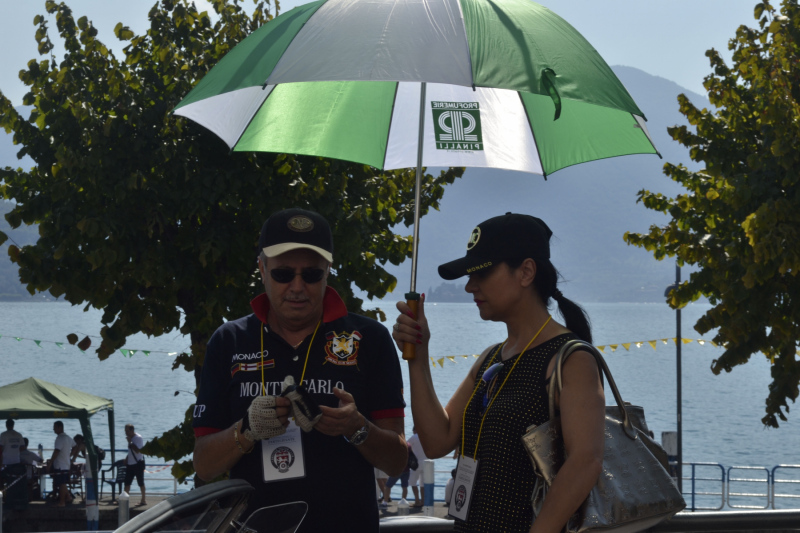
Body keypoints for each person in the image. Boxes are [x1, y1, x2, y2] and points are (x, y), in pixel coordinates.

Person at [192, 208, 407, 533]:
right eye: (283, 274)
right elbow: (204, 465)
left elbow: (397, 462)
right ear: (262, 269)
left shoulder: (370, 338)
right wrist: (246, 430)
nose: (297, 286)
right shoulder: (229, 340)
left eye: (311, 274)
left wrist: (358, 428)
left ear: (328, 271)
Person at [393, 213, 605, 533]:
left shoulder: (571, 359)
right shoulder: (490, 358)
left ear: (526, 272)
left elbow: (586, 461)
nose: (469, 286)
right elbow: (436, 442)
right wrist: (418, 356)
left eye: (482, 272)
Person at [48, 420, 75, 506]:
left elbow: (56, 451)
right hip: (66, 464)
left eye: (55, 427)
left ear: (60, 427)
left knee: (61, 483)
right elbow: (75, 446)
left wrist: (51, 462)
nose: (53, 429)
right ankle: (68, 497)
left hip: (60, 464)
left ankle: (62, 502)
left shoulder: (60, 438)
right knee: (62, 482)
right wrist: (69, 455)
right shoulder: (68, 437)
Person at [123, 424, 146, 506]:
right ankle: (124, 500)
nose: (126, 433)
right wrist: (126, 458)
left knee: (140, 482)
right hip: (130, 464)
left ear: (132, 430)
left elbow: (137, 450)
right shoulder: (131, 439)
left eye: (127, 431)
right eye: (125, 431)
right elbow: (130, 451)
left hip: (137, 463)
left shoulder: (138, 438)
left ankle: (143, 500)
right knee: (127, 483)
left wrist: (130, 442)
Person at [383, 442, 412, 506]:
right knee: (404, 487)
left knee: (388, 486)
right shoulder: (409, 445)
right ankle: (403, 502)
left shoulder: (397, 445)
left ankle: (385, 502)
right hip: (406, 469)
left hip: (397, 470)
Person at [407, 426, 428, 507]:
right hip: (426, 462)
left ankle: (417, 501)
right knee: (422, 484)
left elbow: (406, 445)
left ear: (415, 430)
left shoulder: (414, 437)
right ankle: (423, 501)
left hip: (416, 463)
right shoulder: (426, 437)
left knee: (412, 482)